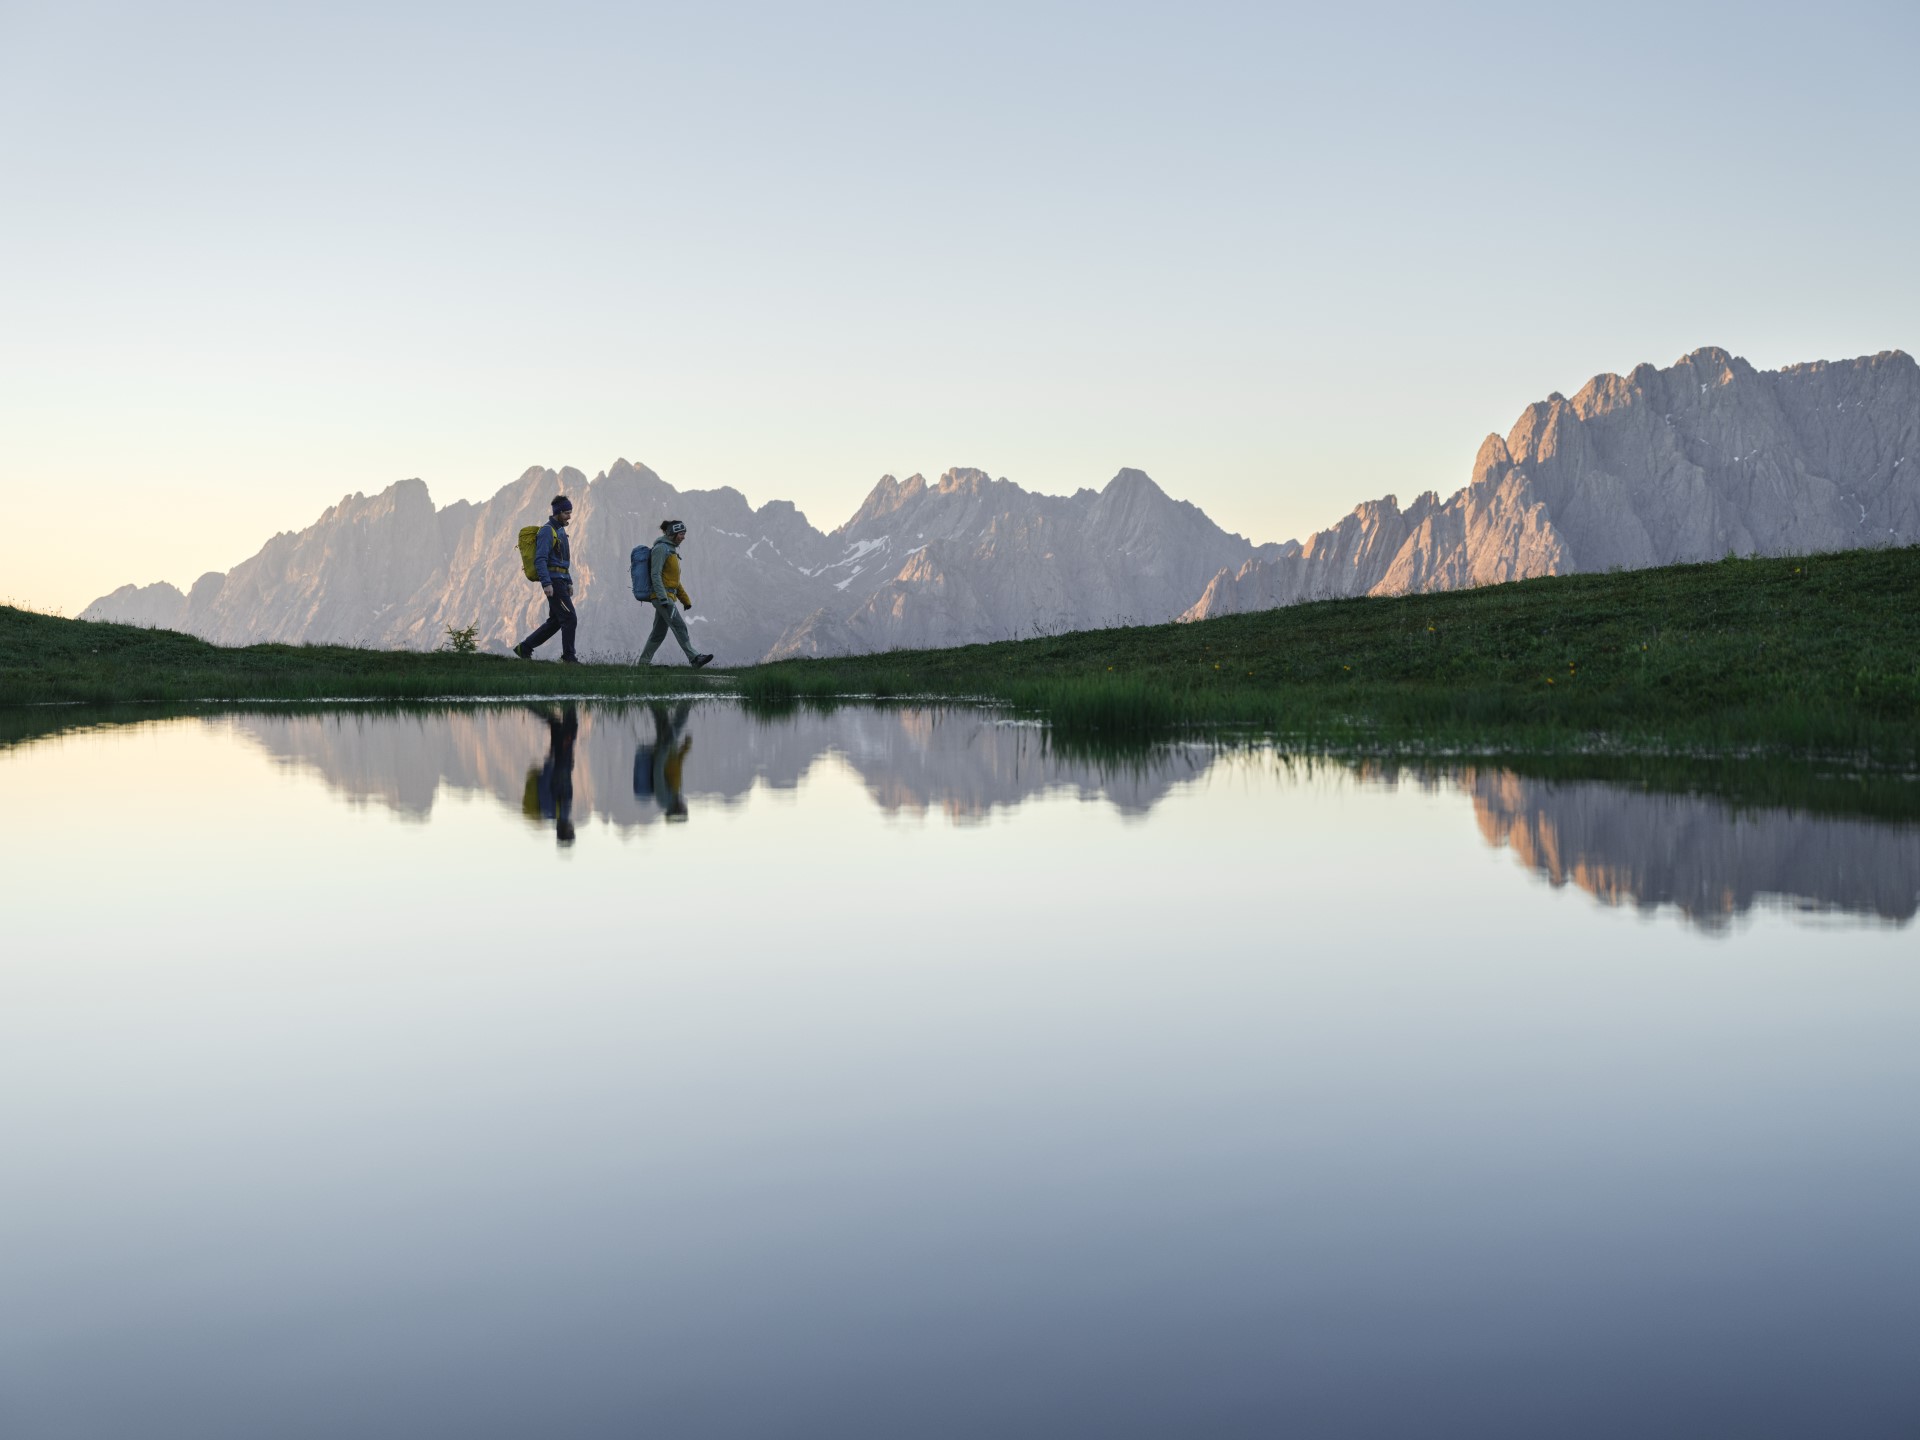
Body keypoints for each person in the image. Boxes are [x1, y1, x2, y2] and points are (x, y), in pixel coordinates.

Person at [639, 519, 714, 668]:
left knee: (658, 633)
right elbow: (655, 575)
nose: (683, 537)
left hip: (667, 597)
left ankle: (643, 664)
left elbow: (675, 582)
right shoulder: (660, 549)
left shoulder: (671, 551)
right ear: (672, 533)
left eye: (684, 534)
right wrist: (662, 598)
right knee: (679, 626)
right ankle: (694, 658)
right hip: (663, 597)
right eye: (681, 533)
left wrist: (685, 600)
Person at [514, 495, 581, 663]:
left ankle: (525, 647)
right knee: (569, 618)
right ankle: (569, 657)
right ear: (557, 513)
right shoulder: (547, 531)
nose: (569, 516)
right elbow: (540, 559)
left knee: (557, 621)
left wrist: (569, 581)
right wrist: (547, 583)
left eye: (570, 512)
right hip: (554, 582)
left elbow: (563, 561)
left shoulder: (561, 531)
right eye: (566, 513)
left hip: (561, 581)